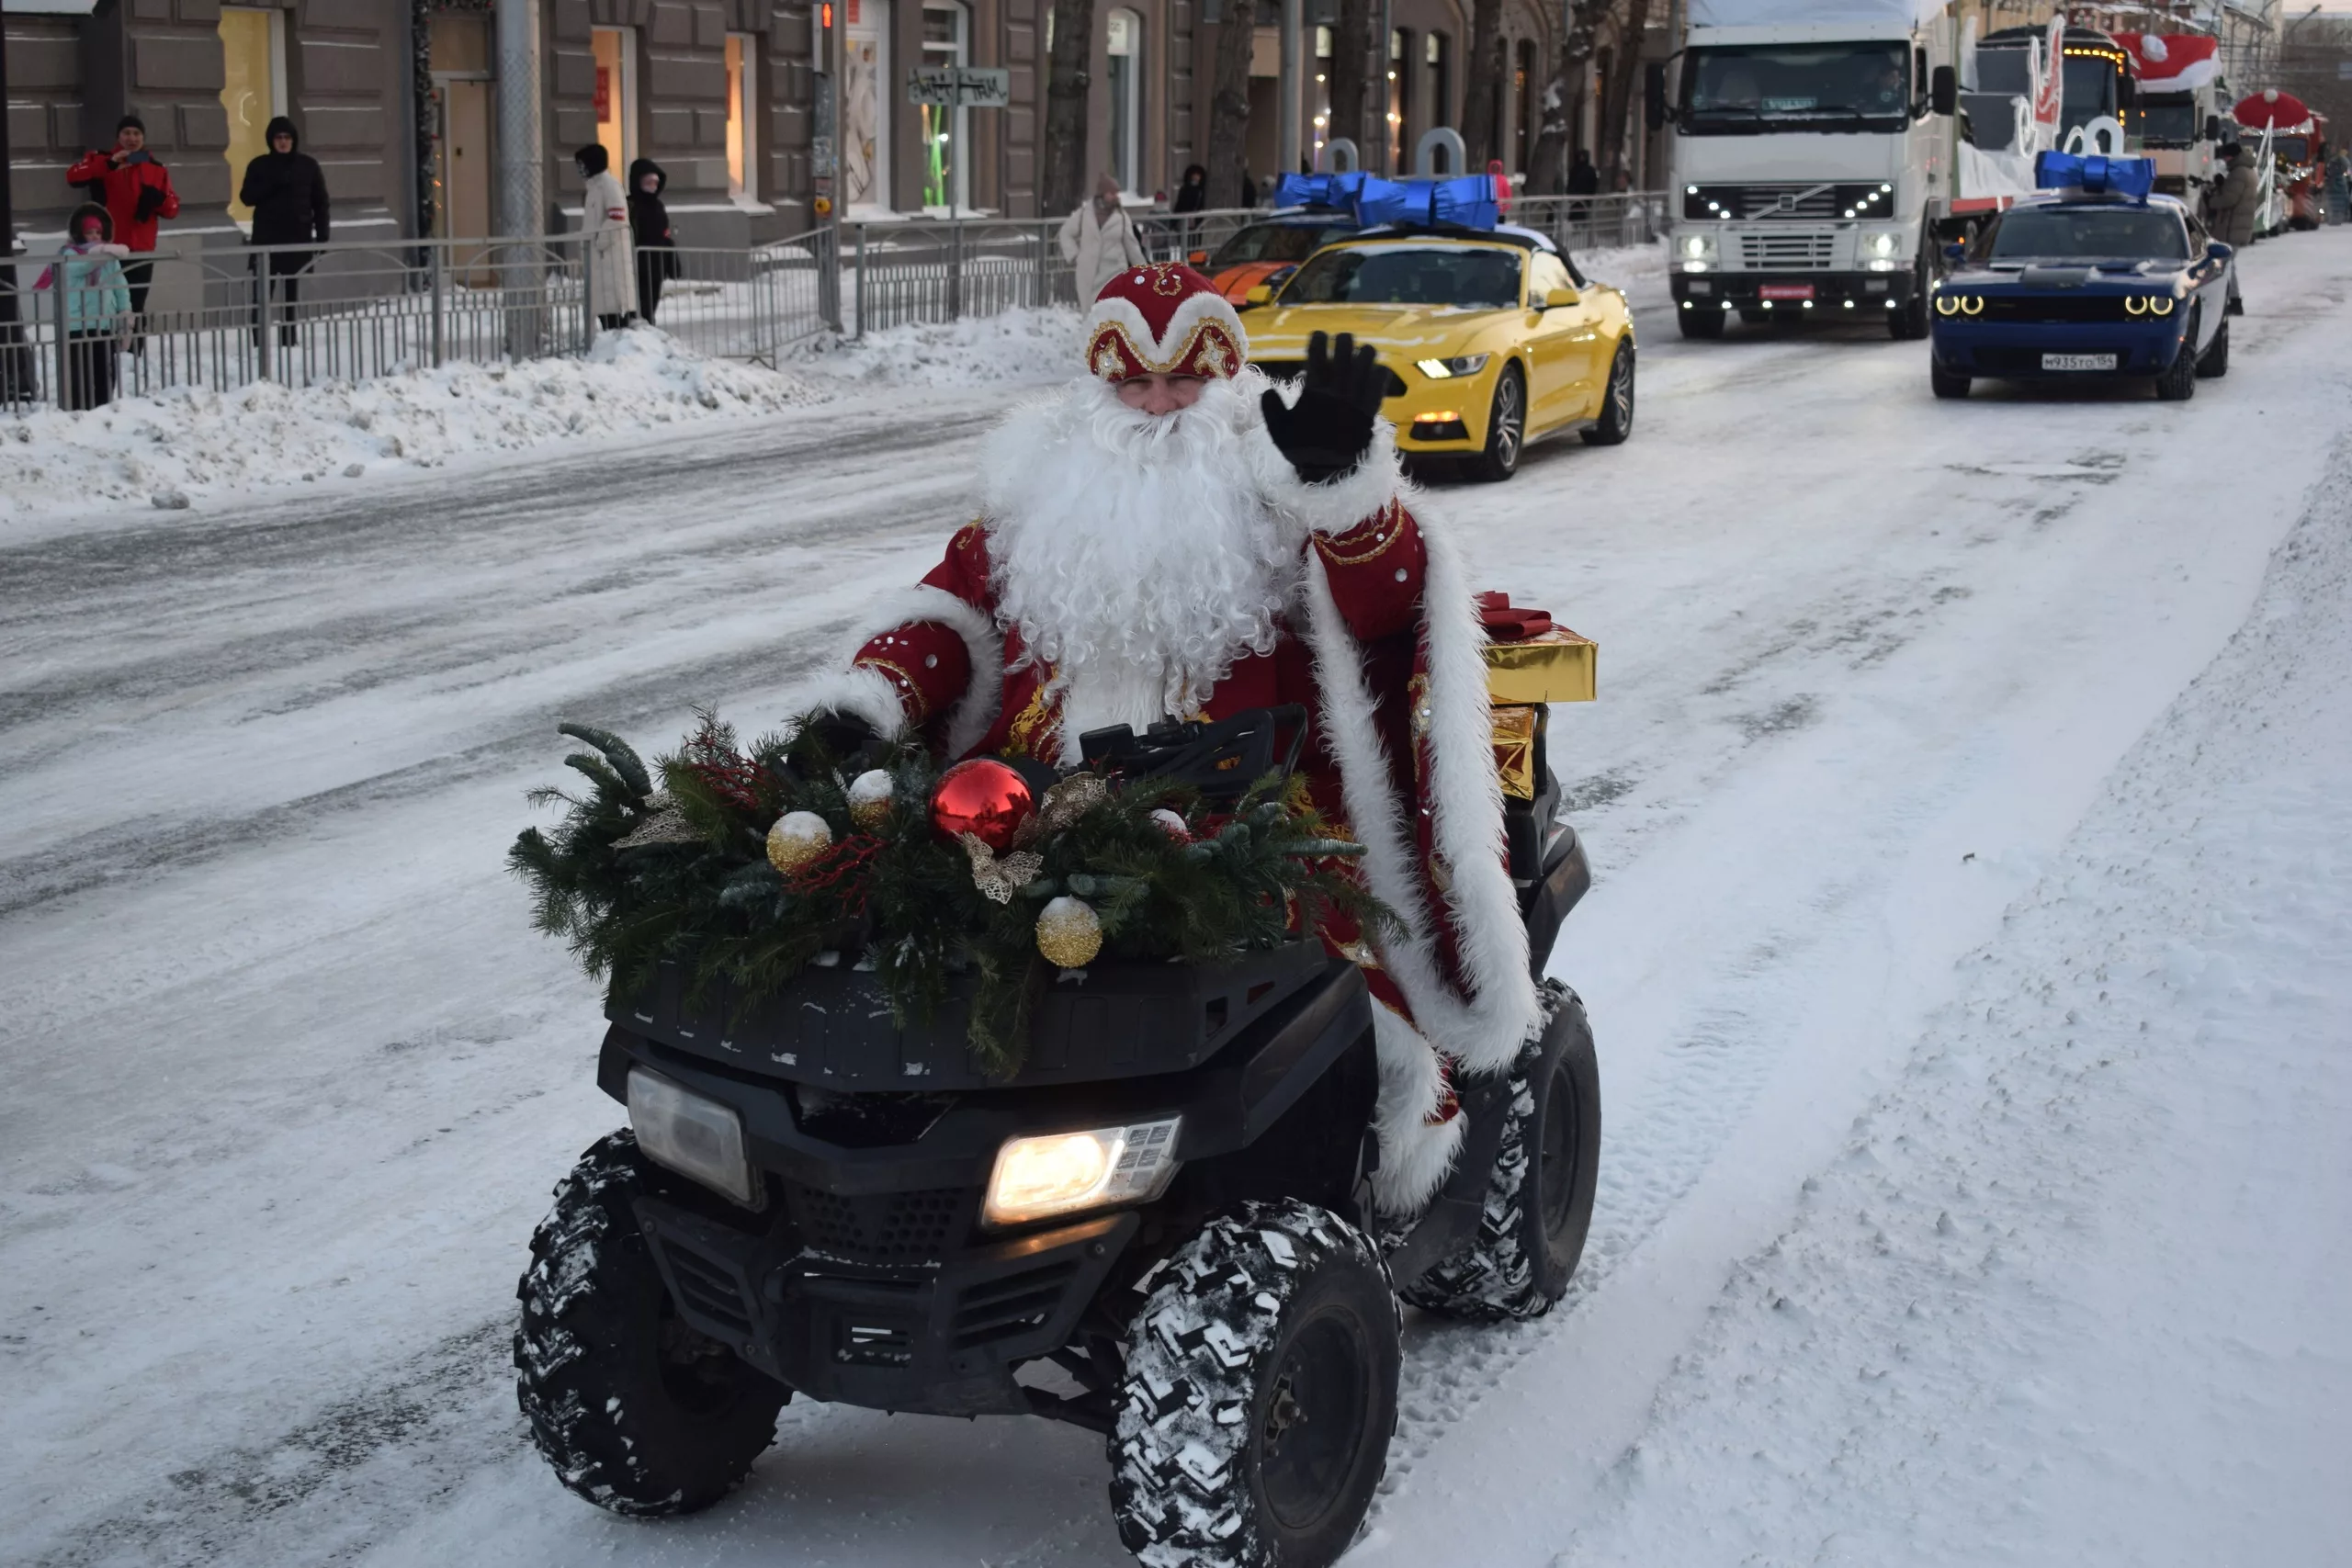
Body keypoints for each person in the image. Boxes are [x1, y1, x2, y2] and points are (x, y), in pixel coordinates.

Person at [785, 265, 1541, 1221]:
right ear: (1095, 388)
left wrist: (1346, 490)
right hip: (1029, 803)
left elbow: (1386, 607)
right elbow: (946, 616)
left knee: (1317, 996)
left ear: (1223, 382)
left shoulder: (1272, 494)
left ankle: (1313, 1179)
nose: (1155, 406)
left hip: (1246, 813)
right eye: (1132, 384)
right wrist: (873, 700)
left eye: (1181, 382)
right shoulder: (1031, 508)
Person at [66, 115, 179, 345]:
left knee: (135, 305)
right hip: (108, 248)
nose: (132, 138)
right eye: (127, 133)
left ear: (143, 138)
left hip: (142, 249)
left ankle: (134, 354)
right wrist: (110, 164)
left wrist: (158, 200)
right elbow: (73, 175)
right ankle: (104, 349)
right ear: (118, 136)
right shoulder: (102, 160)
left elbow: (172, 208)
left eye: (137, 134)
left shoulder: (155, 167)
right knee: (106, 303)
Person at [238, 116, 330, 348]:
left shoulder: (308, 166)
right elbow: (246, 197)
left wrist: (322, 236)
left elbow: (320, 203)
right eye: (278, 137)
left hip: (296, 237)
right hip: (266, 238)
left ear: (294, 140)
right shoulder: (259, 165)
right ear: (271, 140)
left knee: (291, 296)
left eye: (287, 137)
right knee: (262, 296)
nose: (283, 142)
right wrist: (272, 184)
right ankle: (259, 346)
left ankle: (290, 342)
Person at [34, 204, 133, 410]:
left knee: (105, 371)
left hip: (103, 324)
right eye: (90, 232)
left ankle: (103, 408)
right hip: (77, 326)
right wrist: (103, 251)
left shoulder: (108, 258)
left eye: (98, 232)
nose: (95, 236)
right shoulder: (69, 255)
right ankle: (79, 411)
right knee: (80, 373)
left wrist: (125, 315)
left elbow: (120, 286)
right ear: (80, 233)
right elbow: (84, 266)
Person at [1056, 172, 1148, 304]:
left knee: (1112, 314)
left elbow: (1132, 246)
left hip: (1114, 272)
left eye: (1117, 193)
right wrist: (1075, 256)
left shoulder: (1121, 217)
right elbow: (1065, 233)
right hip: (1089, 274)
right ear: (1102, 194)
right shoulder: (1085, 214)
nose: (1116, 197)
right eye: (1112, 193)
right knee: (1091, 316)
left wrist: (1143, 271)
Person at [574, 143, 638, 329]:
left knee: (616, 320)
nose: (580, 169)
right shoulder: (593, 190)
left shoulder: (609, 186)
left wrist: (598, 243)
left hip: (609, 260)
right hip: (599, 262)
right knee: (605, 316)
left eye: (582, 164)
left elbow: (617, 218)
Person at [627, 157, 678, 326]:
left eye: (655, 182)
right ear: (638, 181)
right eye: (648, 181)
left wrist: (672, 261)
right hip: (637, 264)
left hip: (656, 264)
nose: (652, 186)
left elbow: (665, 233)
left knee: (652, 301)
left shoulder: (658, 205)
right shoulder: (630, 204)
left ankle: (649, 329)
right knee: (638, 304)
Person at [2209, 143, 2259, 249]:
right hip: (2240, 226)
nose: (2225, 160)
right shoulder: (2248, 170)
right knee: (2229, 261)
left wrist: (2210, 201)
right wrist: (2223, 185)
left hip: (2233, 227)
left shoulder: (2239, 172)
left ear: (2231, 156)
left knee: (2226, 261)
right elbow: (2234, 192)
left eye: (2225, 156)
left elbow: (2230, 199)